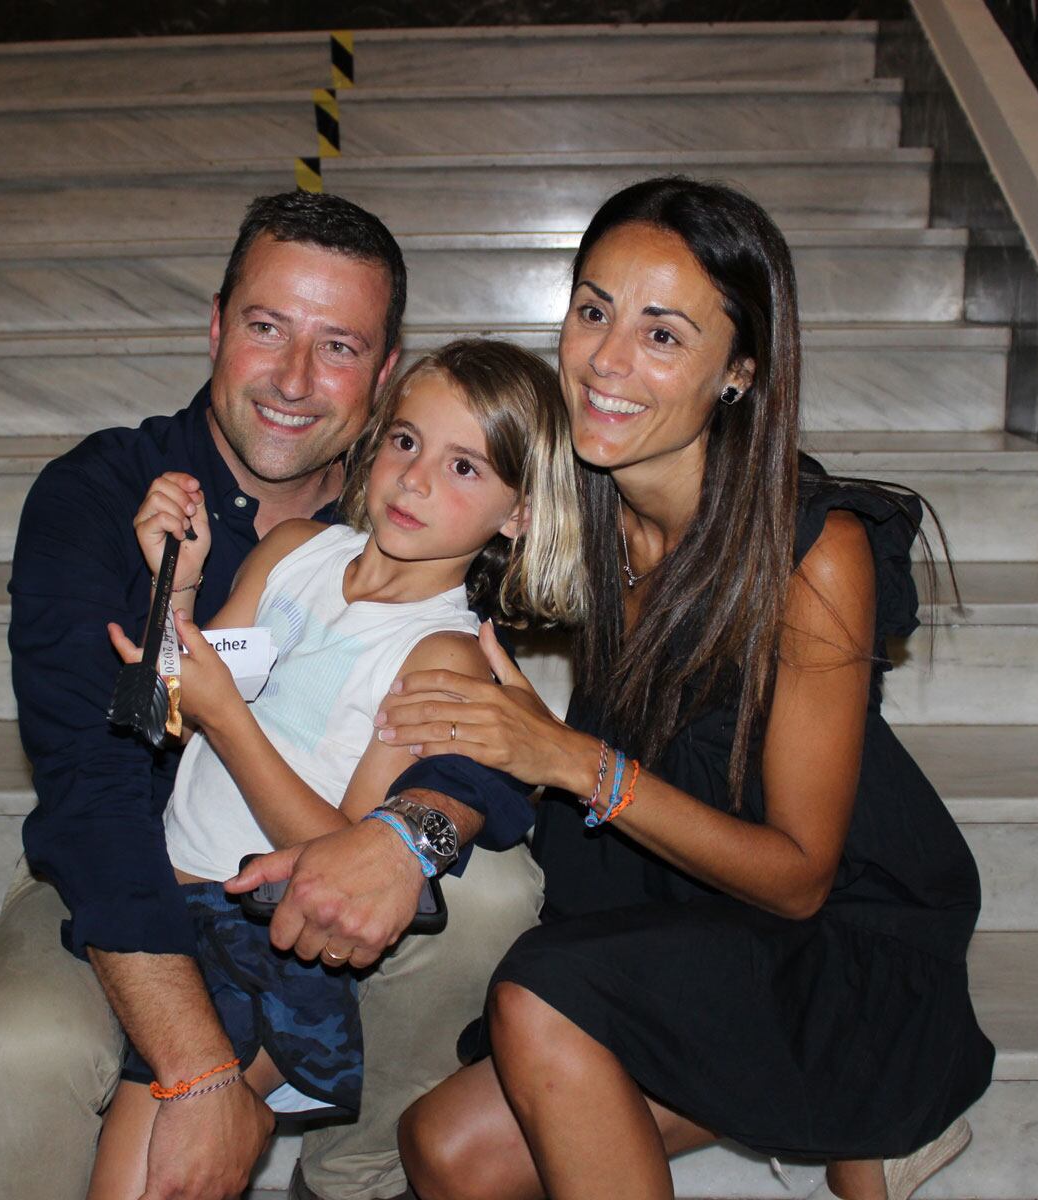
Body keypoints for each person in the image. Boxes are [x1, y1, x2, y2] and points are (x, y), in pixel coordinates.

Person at [379, 177, 997, 1200]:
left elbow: (802, 874)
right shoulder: (588, 505)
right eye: (592, 312)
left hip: (839, 935)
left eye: (663, 335)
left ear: (739, 370)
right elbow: (411, 500)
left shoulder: (813, 553)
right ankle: (835, 1120)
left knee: (538, 999)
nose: (606, 362)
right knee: (445, 1149)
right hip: (692, 908)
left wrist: (571, 760)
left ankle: (863, 1093)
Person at [0, 192, 546, 1200]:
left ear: (384, 373)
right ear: (218, 326)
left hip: (287, 904)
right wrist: (199, 1071)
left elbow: (498, 754)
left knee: (496, 889)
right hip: (125, 857)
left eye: (339, 346)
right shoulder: (109, 496)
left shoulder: (412, 531)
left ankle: (358, 1175)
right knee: (21, 1052)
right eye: (267, 328)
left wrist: (410, 831)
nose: (297, 381)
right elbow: (97, 780)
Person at [87, 339, 586, 1199]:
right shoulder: (290, 551)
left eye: (464, 465)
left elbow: (337, 866)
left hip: (257, 941)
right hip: (162, 899)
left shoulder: (441, 654)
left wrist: (230, 721)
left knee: (151, 1175)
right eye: (404, 441)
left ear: (519, 515)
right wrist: (179, 582)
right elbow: (170, 704)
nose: (416, 478)